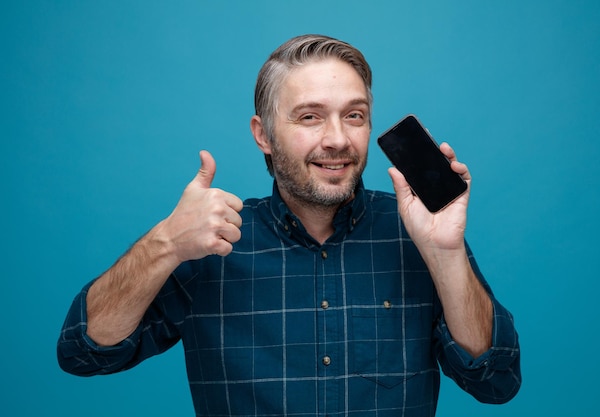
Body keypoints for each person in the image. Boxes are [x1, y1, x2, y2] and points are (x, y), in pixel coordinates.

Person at [58, 34, 521, 416]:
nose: (337, 139)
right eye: (310, 117)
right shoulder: (210, 242)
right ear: (263, 134)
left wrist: (445, 253)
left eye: (354, 116)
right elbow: (85, 351)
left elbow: (496, 380)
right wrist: (165, 245)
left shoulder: (417, 231)